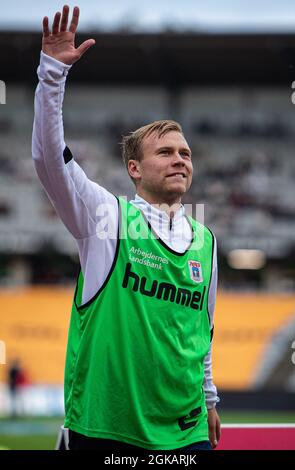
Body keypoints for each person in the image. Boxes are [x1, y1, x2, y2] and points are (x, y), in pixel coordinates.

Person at [32, 5, 221, 452]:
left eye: (186, 153)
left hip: (186, 432)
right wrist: (53, 73)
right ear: (134, 168)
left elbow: (203, 328)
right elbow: (47, 160)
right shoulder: (106, 219)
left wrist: (210, 397)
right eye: (166, 152)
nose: (180, 159)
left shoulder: (206, 240)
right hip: (106, 430)